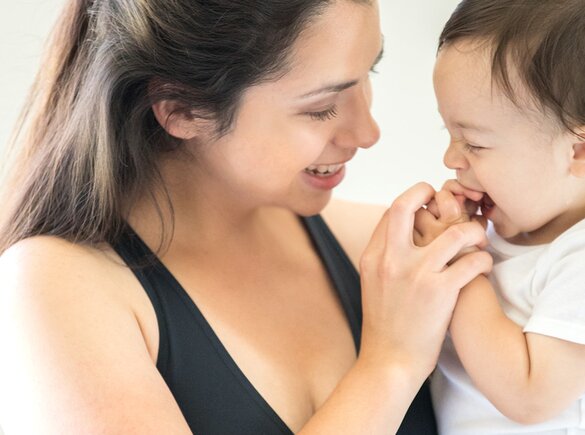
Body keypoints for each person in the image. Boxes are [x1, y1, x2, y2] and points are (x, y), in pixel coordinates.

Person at [0, 0, 491, 434]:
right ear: (181, 110)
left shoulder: (379, 254)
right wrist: (391, 364)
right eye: (321, 108)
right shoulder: (56, 287)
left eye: (370, 73)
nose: (367, 131)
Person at [413, 0, 585, 433]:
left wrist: (459, 266)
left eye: (474, 143)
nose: (451, 158)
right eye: (449, 134)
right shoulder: (498, 231)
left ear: (577, 152)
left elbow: (531, 396)